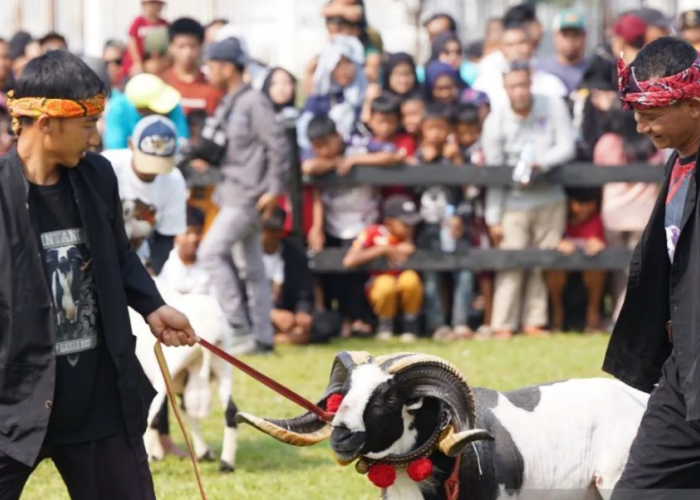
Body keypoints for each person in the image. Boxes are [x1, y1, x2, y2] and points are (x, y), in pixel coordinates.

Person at [0, 49, 195, 500]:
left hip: (97, 397)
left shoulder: (97, 176)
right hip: (13, 399)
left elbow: (119, 255)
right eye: (87, 124)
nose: (95, 137)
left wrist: (153, 305)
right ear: (47, 123)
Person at [601, 37, 700, 499]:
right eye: (636, 112)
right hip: (685, 372)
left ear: (694, 104)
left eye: (653, 113)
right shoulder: (679, 163)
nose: (641, 126)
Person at [197, 37, 290, 356]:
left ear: (227, 67)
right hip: (231, 191)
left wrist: (273, 190)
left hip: (249, 196)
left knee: (209, 253)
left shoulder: (254, 102)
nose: (209, 72)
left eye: (212, 66)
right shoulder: (228, 102)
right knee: (252, 268)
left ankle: (237, 326)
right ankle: (262, 338)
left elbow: (278, 147)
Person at [482, 60, 575, 339]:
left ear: (530, 83)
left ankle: (535, 321)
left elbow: (567, 146)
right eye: (513, 86)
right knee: (511, 260)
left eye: (523, 84)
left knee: (541, 264)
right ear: (505, 88)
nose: (519, 91)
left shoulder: (553, 105)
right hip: (513, 200)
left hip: (550, 197)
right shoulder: (495, 120)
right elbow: (493, 173)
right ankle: (503, 323)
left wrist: (540, 164)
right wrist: (493, 217)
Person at [101, 115, 187, 274]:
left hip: (134, 258)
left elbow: (165, 237)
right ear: (131, 145)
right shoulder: (107, 166)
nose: (152, 171)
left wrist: (150, 272)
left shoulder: (173, 179)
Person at [343, 194, 423, 342]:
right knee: (385, 284)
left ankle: (410, 323)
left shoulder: (409, 237)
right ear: (389, 222)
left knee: (411, 279)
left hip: (402, 283)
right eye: (405, 224)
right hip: (379, 283)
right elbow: (349, 260)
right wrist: (382, 249)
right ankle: (385, 324)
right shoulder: (372, 232)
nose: (410, 228)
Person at [547, 188, 607, 333]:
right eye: (579, 204)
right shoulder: (560, 220)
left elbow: (600, 243)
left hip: (588, 271)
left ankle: (592, 314)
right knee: (554, 269)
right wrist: (559, 242)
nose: (584, 209)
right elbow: (551, 240)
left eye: (589, 204)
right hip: (564, 272)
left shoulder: (597, 220)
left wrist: (598, 243)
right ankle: (557, 313)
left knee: (596, 266)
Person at [472, 23, 568, 110]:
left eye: (521, 43)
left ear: (531, 45)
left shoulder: (552, 84)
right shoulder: (484, 84)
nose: (516, 49)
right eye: (510, 45)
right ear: (501, 48)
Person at [261, 206, 315, 345]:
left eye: (275, 230)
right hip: (256, 314)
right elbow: (240, 297)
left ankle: (279, 337)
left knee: (328, 321)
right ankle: (280, 339)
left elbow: (304, 293)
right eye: (267, 229)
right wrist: (270, 314)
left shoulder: (294, 255)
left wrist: (302, 313)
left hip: (288, 315)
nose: (270, 235)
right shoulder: (245, 257)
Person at [103, 72, 189, 149]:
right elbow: (115, 150)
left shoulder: (172, 102)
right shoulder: (118, 108)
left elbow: (182, 143)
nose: (166, 112)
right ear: (141, 110)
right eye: (158, 108)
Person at [162, 17, 223, 116]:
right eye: (181, 46)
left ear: (201, 47)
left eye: (192, 46)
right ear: (170, 47)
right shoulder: (162, 84)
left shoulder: (213, 87)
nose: (187, 53)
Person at [538, 9, 588, 94]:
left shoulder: (594, 70)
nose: (570, 40)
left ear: (584, 37)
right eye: (565, 35)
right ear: (555, 37)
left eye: (575, 35)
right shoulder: (541, 70)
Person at [122, 0, 169, 78]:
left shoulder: (164, 24)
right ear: (144, 5)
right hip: (137, 61)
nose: (153, 7)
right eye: (150, 4)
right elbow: (132, 42)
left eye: (156, 4)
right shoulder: (138, 22)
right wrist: (137, 62)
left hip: (156, 62)